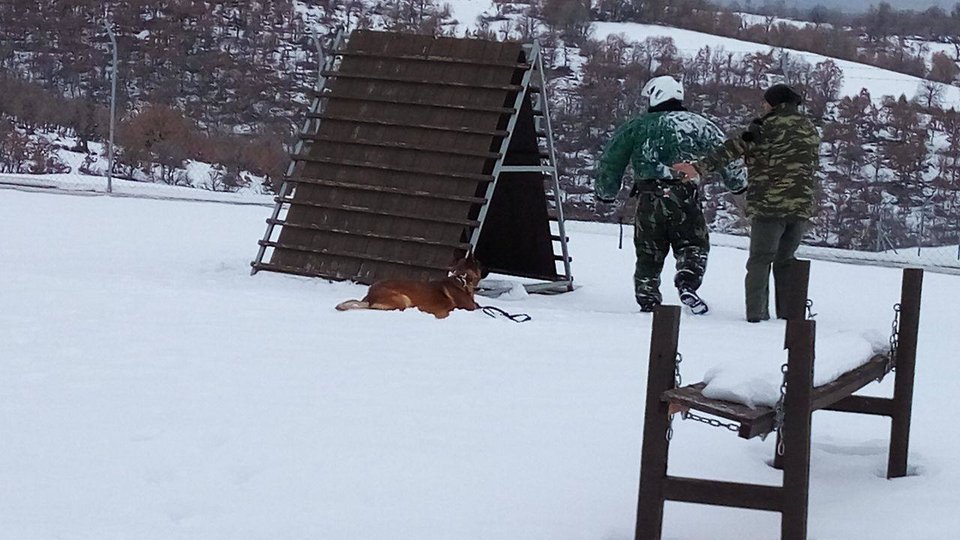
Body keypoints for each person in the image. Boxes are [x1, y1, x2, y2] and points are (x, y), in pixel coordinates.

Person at [595, 75, 747, 314]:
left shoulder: (636, 126)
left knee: (648, 252)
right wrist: (738, 184)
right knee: (693, 244)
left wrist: (606, 193)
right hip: (684, 196)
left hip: (648, 198)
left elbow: (611, 161)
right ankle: (687, 282)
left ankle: (648, 299)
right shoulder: (699, 125)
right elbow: (726, 154)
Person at [672, 83, 820, 323]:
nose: (763, 106)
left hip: (769, 206)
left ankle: (756, 316)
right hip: (800, 207)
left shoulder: (764, 127)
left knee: (760, 260)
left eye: (765, 102)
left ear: (774, 103)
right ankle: (789, 317)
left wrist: (698, 168)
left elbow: (731, 150)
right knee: (786, 261)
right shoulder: (810, 128)